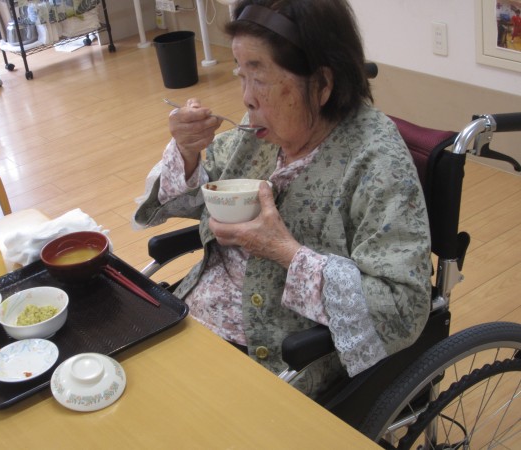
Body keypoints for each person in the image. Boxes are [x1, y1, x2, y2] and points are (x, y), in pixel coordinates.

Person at [133, 0, 431, 398]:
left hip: (276, 361)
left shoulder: (377, 162)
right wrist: (187, 152)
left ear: (322, 84)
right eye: (241, 75)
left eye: (259, 78)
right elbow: (196, 195)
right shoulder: (259, 132)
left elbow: (403, 308)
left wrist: (286, 252)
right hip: (190, 320)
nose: (246, 99)